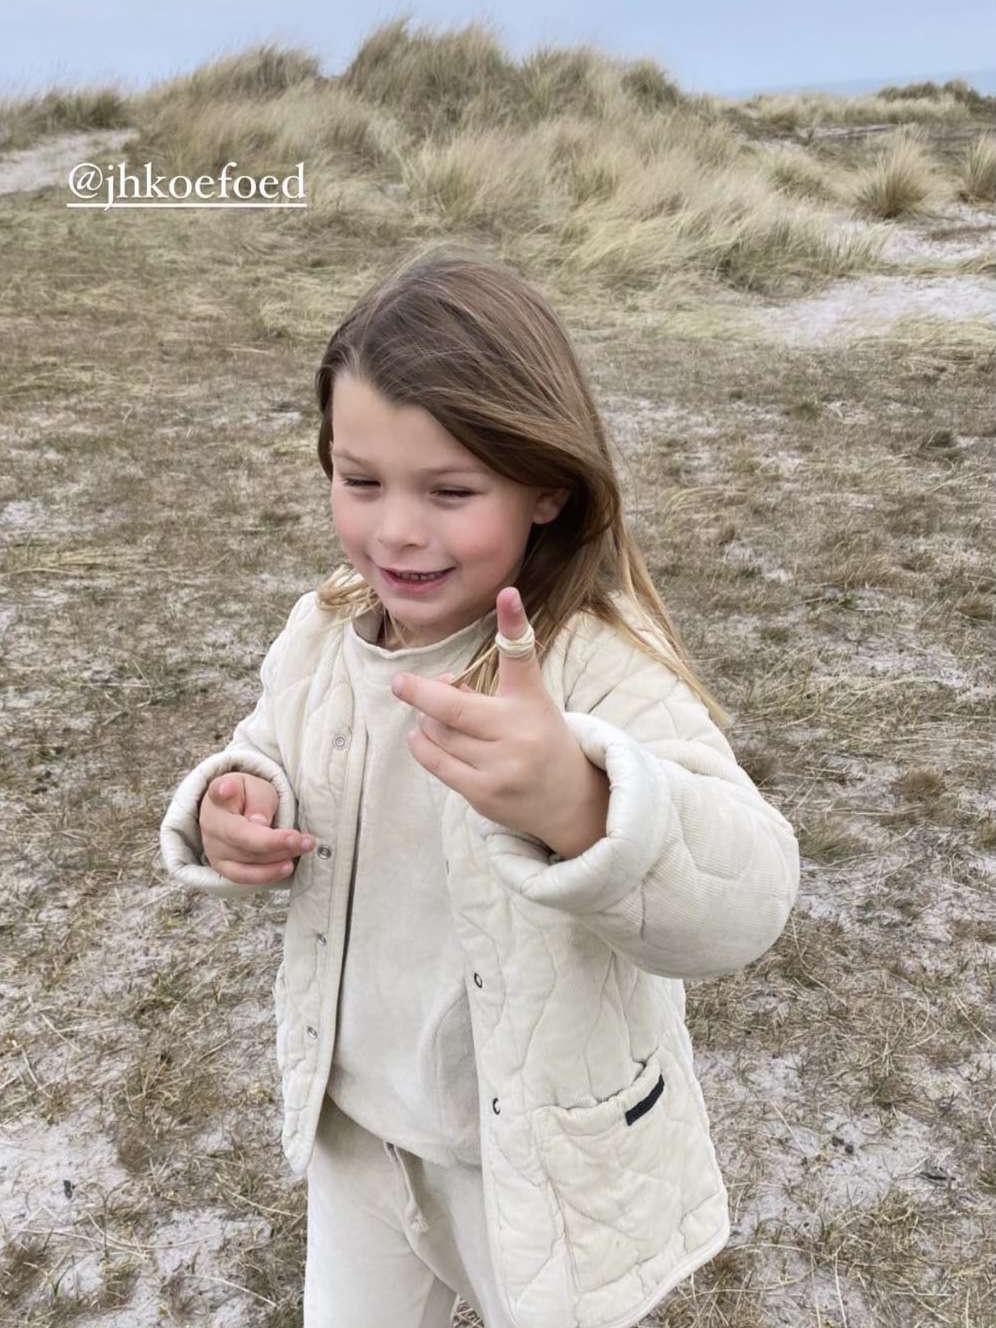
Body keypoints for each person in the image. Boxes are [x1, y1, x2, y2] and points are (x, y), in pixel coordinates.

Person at [159, 241, 800, 1328]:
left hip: (537, 1164)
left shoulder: (596, 664)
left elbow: (750, 896)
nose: (397, 529)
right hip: (359, 1127)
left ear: (547, 485)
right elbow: (269, 738)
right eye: (359, 480)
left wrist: (582, 804)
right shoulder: (323, 627)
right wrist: (235, 797)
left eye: (451, 490)